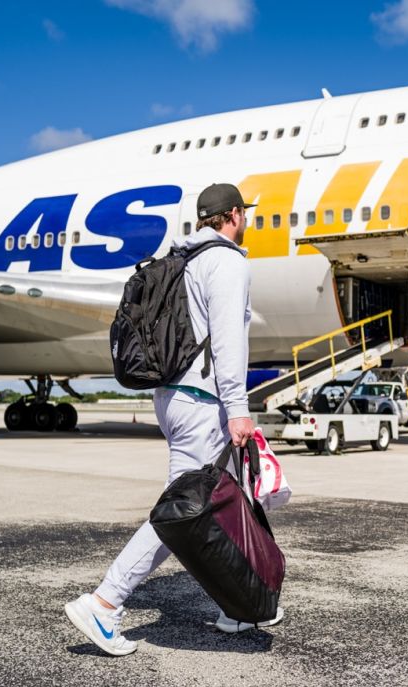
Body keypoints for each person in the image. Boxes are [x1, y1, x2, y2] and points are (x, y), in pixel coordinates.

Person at [64, 183, 281, 657]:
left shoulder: (182, 259)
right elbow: (227, 341)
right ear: (235, 216)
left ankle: (236, 605)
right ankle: (105, 602)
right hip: (203, 401)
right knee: (184, 512)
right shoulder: (226, 261)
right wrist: (239, 409)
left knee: (217, 506)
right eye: (244, 215)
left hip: (174, 395)